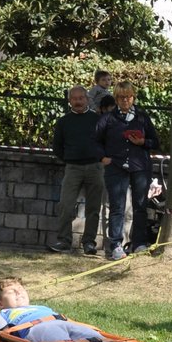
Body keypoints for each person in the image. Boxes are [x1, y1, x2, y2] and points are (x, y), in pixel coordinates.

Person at [0, 277, 172, 342]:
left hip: (63, 323)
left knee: (95, 339)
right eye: (11, 291)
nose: (19, 292)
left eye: (20, 288)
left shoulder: (40, 306)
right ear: (0, 303)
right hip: (37, 329)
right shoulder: (3, 313)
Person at [95, 83, 160, 261]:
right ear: (116, 99)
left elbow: (155, 142)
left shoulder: (142, 118)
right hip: (115, 167)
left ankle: (138, 243)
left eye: (129, 97)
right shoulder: (107, 118)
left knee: (140, 206)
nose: (126, 100)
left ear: (133, 97)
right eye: (122, 97)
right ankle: (115, 245)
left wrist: (143, 142)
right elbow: (95, 141)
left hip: (140, 167)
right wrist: (103, 157)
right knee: (117, 207)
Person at [49, 86, 105, 255]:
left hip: (95, 167)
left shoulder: (97, 120)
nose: (78, 101)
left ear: (87, 99)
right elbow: (57, 146)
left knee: (93, 208)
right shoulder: (63, 122)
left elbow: (105, 142)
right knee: (66, 205)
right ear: (70, 101)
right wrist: (68, 159)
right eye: (75, 99)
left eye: (81, 98)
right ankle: (64, 241)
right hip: (72, 168)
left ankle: (89, 242)